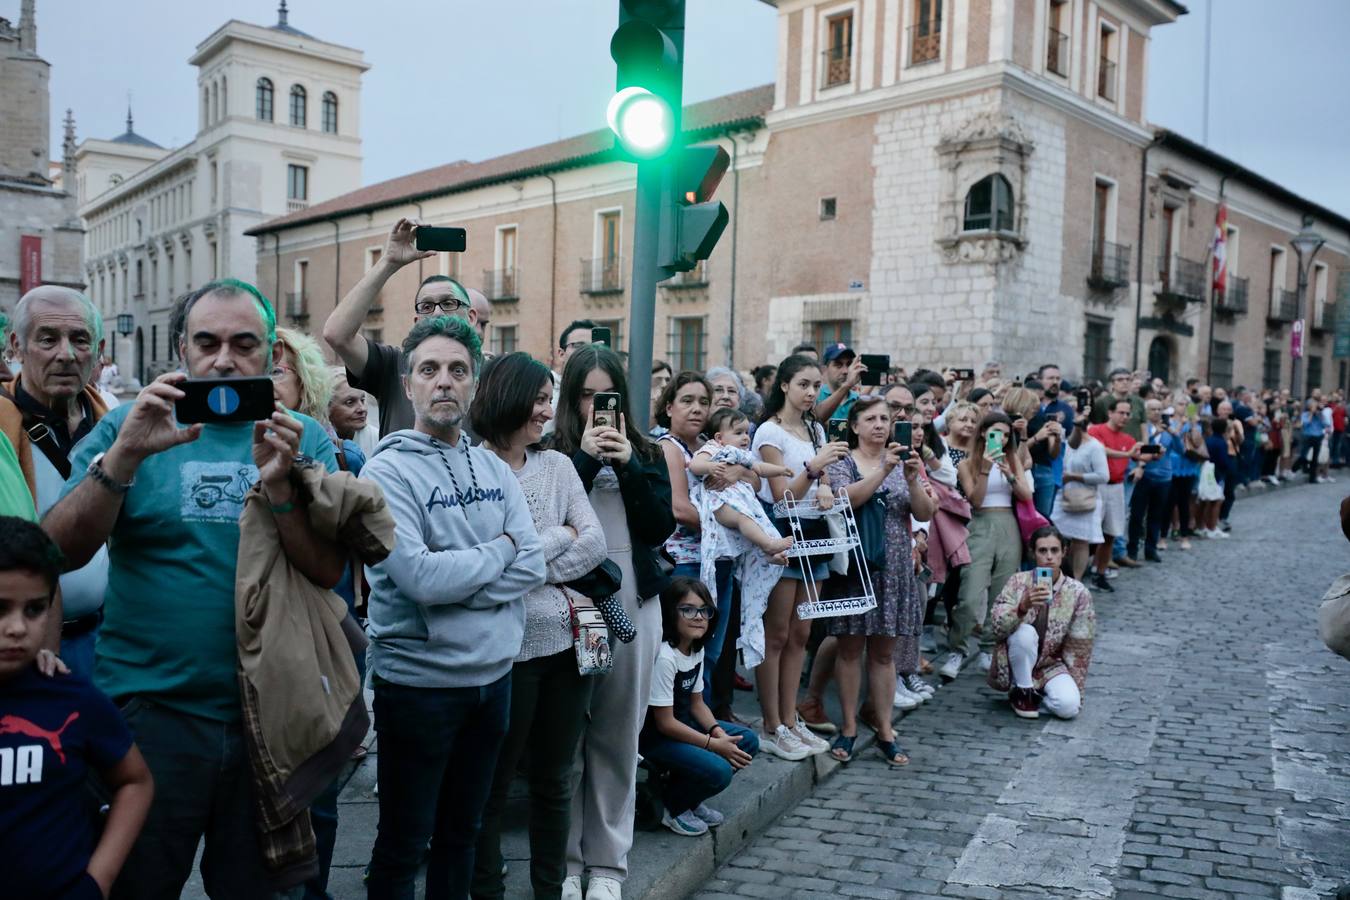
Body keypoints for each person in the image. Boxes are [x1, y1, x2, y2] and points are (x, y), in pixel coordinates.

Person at [43, 279, 343, 898]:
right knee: (137, 886)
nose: (224, 360)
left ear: (271, 355)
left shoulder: (303, 438)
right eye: (206, 342)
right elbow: (59, 552)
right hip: (150, 717)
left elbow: (328, 572)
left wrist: (284, 490)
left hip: (269, 716)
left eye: (243, 343)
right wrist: (123, 459)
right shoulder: (132, 424)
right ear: (181, 347)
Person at [360, 316, 545, 899]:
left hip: (493, 681)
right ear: (408, 384)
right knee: (403, 843)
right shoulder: (385, 471)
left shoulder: (492, 466)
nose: (444, 382)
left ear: (474, 384)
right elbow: (417, 577)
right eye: (430, 370)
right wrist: (500, 553)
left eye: (458, 371)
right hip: (417, 687)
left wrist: (461, 578)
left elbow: (534, 564)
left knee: (462, 836)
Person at [469, 352, 607, 900]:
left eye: (550, 400)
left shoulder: (559, 466)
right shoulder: (474, 468)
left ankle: (549, 890)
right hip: (506, 648)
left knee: (556, 779)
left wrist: (526, 558)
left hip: (569, 643)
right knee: (493, 784)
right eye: (540, 398)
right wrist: (555, 542)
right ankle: (488, 890)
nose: (546, 411)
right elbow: (483, 563)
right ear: (508, 396)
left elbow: (593, 543)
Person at [550, 345, 674, 900]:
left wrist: (628, 467)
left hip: (632, 596)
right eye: (585, 396)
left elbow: (660, 528)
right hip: (568, 600)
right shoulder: (551, 452)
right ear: (570, 399)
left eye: (607, 396)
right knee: (565, 734)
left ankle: (608, 863)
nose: (596, 408)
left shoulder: (646, 449)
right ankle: (566, 860)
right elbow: (544, 520)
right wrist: (581, 458)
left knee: (619, 734)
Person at [0, 516, 155, 900]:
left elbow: (135, 781)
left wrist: (97, 880)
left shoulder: (72, 698)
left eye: (34, 609)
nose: (17, 627)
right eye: (0, 609)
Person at [269, 328, 367, 900]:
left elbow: (337, 549)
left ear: (303, 383)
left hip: (316, 638)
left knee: (320, 795)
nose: (261, 375)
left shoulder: (328, 447)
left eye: (277, 369)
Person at [1, 286, 113, 680]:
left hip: (109, 638)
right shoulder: (2, 424)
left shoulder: (116, 419)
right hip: (22, 647)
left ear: (97, 350)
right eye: (48, 339)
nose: (66, 354)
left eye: (79, 340)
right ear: (17, 346)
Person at [823, 395, 935, 767]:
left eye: (885, 418)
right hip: (856, 564)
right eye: (870, 418)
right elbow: (845, 500)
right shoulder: (843, 460)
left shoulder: (903, 460)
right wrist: (884, 471)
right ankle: (850, 726)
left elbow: (923, 511)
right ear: (854, 426)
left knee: (884, 653)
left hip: (896, 566)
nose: (879, 425)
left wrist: (912, 478)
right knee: (851, 649)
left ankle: (884, 727)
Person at [751, 354, 848, 759]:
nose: (811, 393)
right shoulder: (768, 434)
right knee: (776, 634)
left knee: (802, 633)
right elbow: (780, 498)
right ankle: (771, 722)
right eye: (804, 384)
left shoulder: (815, 428)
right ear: (785, 385)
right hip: (782, 537)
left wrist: (824, 483)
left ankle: (791, 717)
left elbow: (820, 481)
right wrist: (813, 469)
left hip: (816, 535)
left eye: (815, 385)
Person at [322, 218, 486, 436]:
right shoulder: (391, 365)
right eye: (426, 306)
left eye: (448, 303)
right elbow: (336, 334)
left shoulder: (496, 372)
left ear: (472, 317)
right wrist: (389, 262)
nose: (437, 312)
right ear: (417, 322)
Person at [639, 578, 758, 837]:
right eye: (688, 610)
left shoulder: (695, 649)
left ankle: (690, 798)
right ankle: (673, 805)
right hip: (657, 738)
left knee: (747, 740)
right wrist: (712, 744)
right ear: (671, 612)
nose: (699, 617)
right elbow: (665, 723)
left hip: (684, 726)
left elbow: (697, 702)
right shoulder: (666, 657)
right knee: (720, 770)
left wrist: (716, 731)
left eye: (705, 610)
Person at [943, 411, 1032, 681]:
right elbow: (976, 501)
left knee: (1002, 593)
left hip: (1008, 525)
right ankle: (957, 649)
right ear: (983, 432)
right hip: (980, 524)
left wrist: (1010, 474)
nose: (1002, 439)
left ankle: (988, 648)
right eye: (996, 433)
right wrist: (984, 469)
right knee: (969, 594)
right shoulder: (967, 463)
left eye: (1006, 435)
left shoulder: (1012, 458)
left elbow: (1026, 495)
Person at [987, 526, 1095, 720]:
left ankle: (1032, 696)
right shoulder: (1017, 581)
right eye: (1042, 551)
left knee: (1069, 708)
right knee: (1025, 633)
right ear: (1033, 553)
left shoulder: (1078, 592)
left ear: (1064, 552)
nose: (1049, 557)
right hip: (1015, 660)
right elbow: (996, 628)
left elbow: (1080, 647)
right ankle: (1023, 690)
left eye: (1054, 550)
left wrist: (1075, 690)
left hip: (1051, 665)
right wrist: (1022, 606)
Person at [689, 408, 793, 560]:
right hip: (718, 501)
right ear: (719, 438)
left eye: (746, 432)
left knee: (758, 523)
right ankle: (768, 546)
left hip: (740, 501)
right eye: (738, 433)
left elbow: (760, 468)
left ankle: (770, 554)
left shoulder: (743, 455)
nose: (745, 437)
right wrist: (710, 467)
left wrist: (780, 470)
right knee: (743, 519)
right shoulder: (712, 448)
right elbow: (694, 465)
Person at [1086, 398, 1144, 588]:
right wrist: (1128, 455)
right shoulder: (1096, 430)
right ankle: (1077, 571)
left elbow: (1139, 456)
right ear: (1110, 413)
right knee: (1087, 532)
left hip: (1117, 486)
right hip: (1097, 485)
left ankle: (1100, 572)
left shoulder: (1128, 439)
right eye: (1121, 412)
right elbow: (1101, 450)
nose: (1125, 417)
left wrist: (1150, 457)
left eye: (1128, 414)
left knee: (1111, 532)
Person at [1050, 410, 1108, 584]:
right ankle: (1059, 577)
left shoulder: (1095, 447)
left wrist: (1074, 476)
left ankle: (1076, 581)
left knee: (1081, 541)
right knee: (1059, 537)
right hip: (1064, 496)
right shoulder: (1066, 444)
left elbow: (1104, 476)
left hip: (1086, 498)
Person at [1124, 399, 1175, 564]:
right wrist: (1154, 436)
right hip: (1145, 475)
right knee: (1137, 515)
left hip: (1164, 477)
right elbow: (1138, 450)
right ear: (1146, 411)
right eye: (1153, 409)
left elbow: (1180, 449)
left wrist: (1175, 433)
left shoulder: (1168, 431)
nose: (1156, 412)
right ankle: (1132, 550)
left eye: (1159, 409)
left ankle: (1150, 549)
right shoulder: (1142, 428)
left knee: (1156, 514)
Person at [814, 342, 866, 422]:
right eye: (838, 365)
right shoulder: (816, 396)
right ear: (825, 370)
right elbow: (817, 418)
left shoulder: (857, 399)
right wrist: (847, 385)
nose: (845, 371)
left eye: (849, 364)